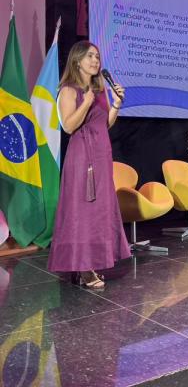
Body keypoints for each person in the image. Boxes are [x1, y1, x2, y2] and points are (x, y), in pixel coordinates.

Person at [47, 41, 131, 288]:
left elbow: (104, 124)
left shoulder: (98, 90)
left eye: (97, 56)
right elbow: (68, 126)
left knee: (97, 212)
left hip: (101, 155)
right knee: (82, 211)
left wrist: (116, 104)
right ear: (77, 61)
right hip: (82, 157)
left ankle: (89, 263)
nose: (95, 60)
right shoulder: (68, 90)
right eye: (90, 56)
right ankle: (83, 268)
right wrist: (86, 102)